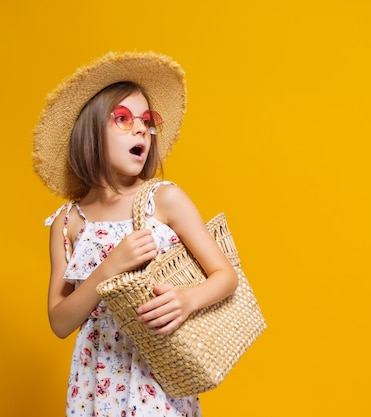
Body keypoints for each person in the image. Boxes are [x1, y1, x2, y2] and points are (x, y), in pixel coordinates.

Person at [33, 51, 238, 417]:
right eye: (124, 120)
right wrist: (109, 268)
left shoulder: (164, 199)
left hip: (156, 377)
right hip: (95, 383)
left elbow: (225, 276)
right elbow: (59, 322)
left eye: (147, 121)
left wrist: (187, 300)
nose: (141, 129)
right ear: (90, 132)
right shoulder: (68, 222)